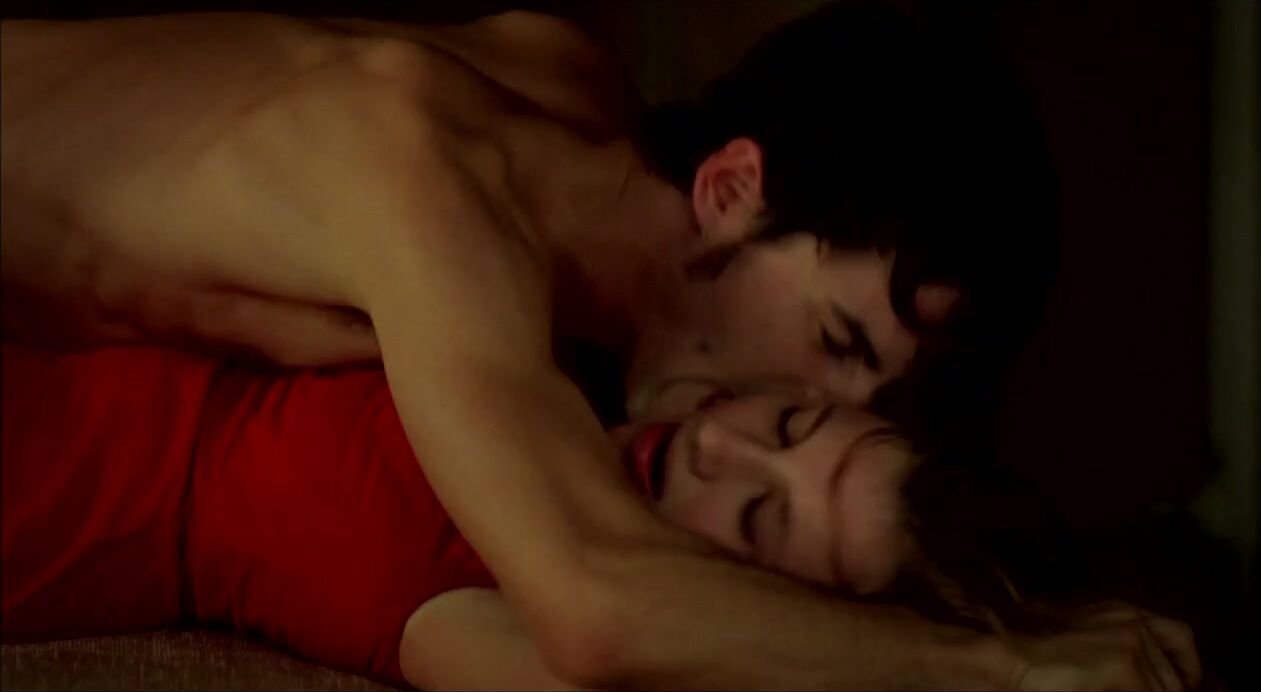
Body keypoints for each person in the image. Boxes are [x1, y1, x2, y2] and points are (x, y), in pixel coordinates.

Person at [1, 4, 1167, 689]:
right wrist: (1010, 669)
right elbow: (597, 604)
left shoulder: (571, 86)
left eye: (864, 390)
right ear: (730, 187)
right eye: (831, 337)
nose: (816, 400)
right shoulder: (426, 189)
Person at [0, 342, 1199, 690]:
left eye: (759, 522)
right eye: (788, 423)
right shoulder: (551, 353)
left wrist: (1007, 666)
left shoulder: (494, 604)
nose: (717, 444)